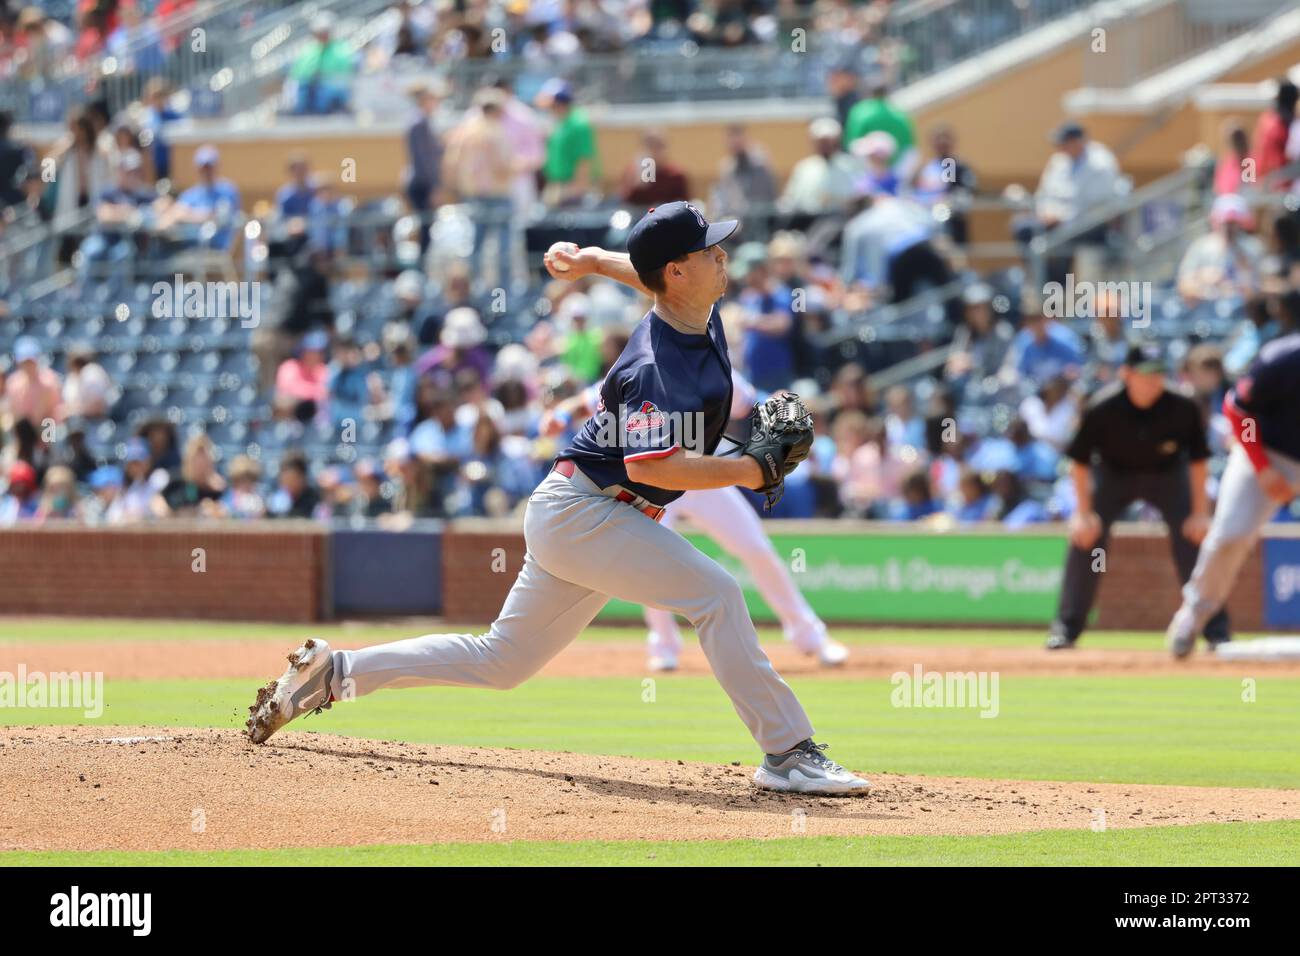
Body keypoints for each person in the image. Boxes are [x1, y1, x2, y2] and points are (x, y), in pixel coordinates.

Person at [245, 201, 869, 795]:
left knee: (502, 662)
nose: (723, 256)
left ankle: (337, 674)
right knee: (717, 595)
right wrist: (752, 471)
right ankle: (788, 754)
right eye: (711, 250)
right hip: (587, 512)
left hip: (588, 511)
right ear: (679, 270)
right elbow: (660, 464)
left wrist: (595, 259)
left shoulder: (692, 309)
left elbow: (647, 275)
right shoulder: (654, 365)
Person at [540, 369, 850, 671]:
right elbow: (585, 400)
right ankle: (664, 645)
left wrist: (781, 405)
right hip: (652, 481)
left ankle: (810, 636)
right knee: (651, 563)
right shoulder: (643, 367)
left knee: (756, 547)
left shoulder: (713, 367)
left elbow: (754, 403)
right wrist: (563, 416)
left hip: (702, 476)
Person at [1046, 342, 1222, 650]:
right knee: (1086, 538)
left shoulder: (1183, 406)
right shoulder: (1102, 407)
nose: (1153, 380)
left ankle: (1214, 630)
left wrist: (1200, 511)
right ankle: (1066, 629)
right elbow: (1080, 462)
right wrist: (1083, 513)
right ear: (1126, 374)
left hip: (1168, 477)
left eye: (1158, 373)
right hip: (1114, 477)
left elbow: (1198, 461)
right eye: (1145, 374)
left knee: (1194, 539)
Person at [1166, 332, 1300, 657]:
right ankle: (1192, 616)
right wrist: (1263, 467)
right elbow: (1238, 409)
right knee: (1231, 534)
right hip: (1268, 452)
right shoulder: (1281, 357)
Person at [442, 87, 516, 294]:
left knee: (475, 247)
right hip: (498, 196)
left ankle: (472, 291)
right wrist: (515, 169)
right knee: (502, 249)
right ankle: (503, 293)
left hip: (474, 196)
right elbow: (502, 167)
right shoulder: (496, 132)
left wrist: (456, 188)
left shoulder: (465, 132)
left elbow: (451, 163)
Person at [538, 80, 598, 207]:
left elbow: (584, 159)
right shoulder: (559, 122)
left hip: (572, 191)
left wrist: (573, 190)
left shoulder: (578, 123)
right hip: (558, 186)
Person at [620, 129, 690, 210]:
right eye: (650, 146)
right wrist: (640, 180)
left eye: (658, 146)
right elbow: (624, 203)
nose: (654, 151)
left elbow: (684, 205)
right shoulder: (632, 172)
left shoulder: (676, 175)